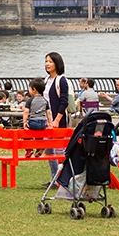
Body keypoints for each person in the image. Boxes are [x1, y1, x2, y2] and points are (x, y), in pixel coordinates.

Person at [44, 52, 70, 181]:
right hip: (47, 120)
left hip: (58, 120)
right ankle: (55, 178)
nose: (47, 64)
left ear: (57, 63)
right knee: (48, 150)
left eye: (50, 61)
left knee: (59, 150)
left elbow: (64, 102)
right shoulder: (46, 80)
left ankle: (62, 178)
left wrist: (57, 120)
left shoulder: (61, 80)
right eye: (46, 61)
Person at [23, 77, 52, 158]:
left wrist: (24, 122)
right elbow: (48, 113)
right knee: (39, 136)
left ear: (34, 89)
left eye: (29, 88)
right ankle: (39, 148)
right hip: (43, 123)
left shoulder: (30, 100)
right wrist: (50, 123)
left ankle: (29, 149)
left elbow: (26, 112)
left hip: (33, 122)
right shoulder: (45, 100)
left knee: (25, 134)